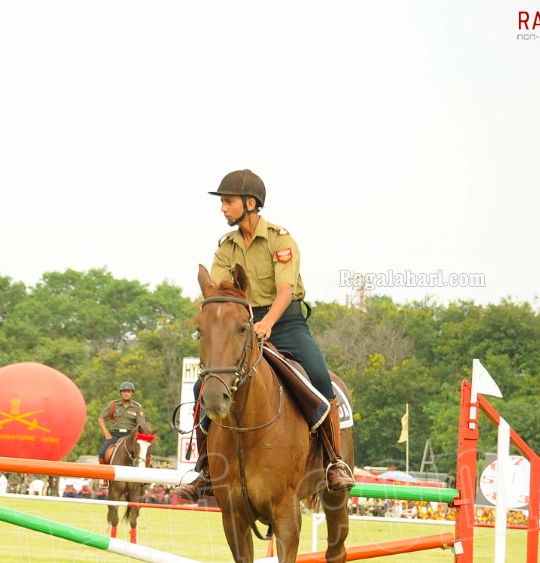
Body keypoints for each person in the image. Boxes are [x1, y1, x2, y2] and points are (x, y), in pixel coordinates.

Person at [174, 169, 355, 501]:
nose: (223, 208)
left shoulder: (280, 240)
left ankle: (333, 462)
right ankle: (206, 471)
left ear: (250, 203)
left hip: (285, 321)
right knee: (204, 384)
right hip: (241, 323)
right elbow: (217, 290)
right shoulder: (226, 247)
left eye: (228, 202)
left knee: (318, 377)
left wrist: (268, 322)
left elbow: (285, 290)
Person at [97, 381, 145, 462]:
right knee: (102, 454)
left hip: (130, 436)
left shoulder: (137, 407)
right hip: (115, 436)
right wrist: (106, 433)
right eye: (124, 391)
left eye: (128, 391)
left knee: (143, 455)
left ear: (132, 393)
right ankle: (104, 474)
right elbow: (101, 418)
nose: (126, 393)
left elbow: (141, 425)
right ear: (121, 393)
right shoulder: (113, 404)